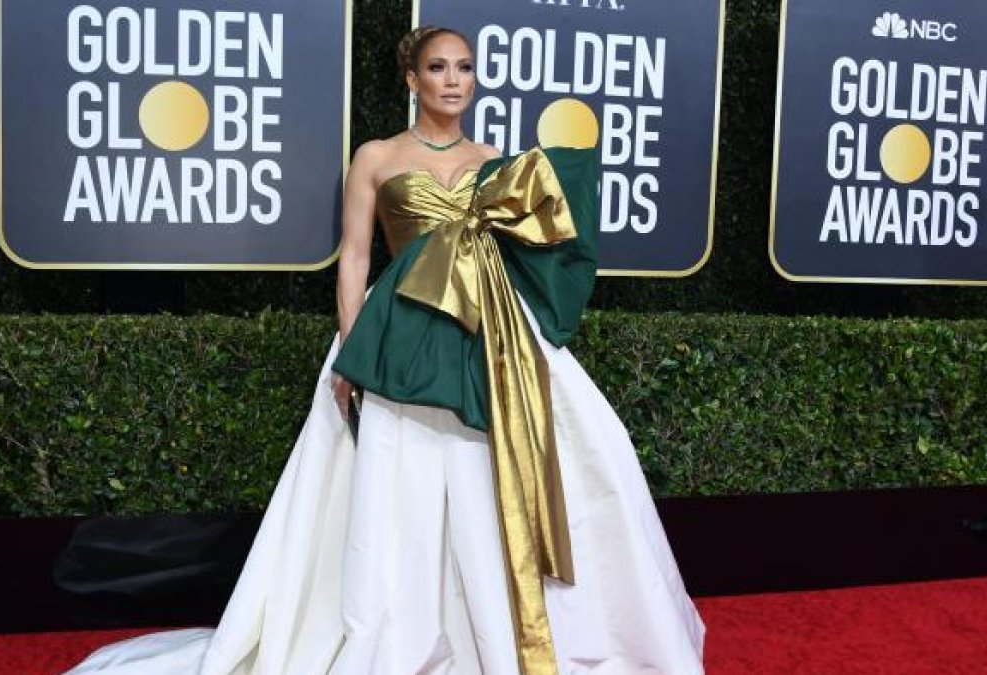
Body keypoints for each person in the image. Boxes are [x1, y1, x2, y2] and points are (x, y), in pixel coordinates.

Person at [67, 26, 705, 675]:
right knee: (401, 480)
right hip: (400, 328)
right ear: (412, 79)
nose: (454, 80)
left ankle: (502, 619)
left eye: (464, 67)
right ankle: (405, 628)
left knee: (519, 464)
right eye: (438, 67)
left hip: (493, 332)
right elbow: (354, 256)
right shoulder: (375, 156)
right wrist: (352, 348)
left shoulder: (497, 158)